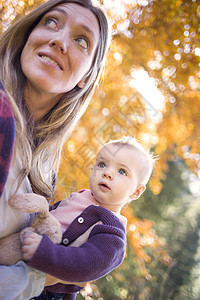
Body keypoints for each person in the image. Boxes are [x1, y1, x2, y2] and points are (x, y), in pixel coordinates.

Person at [0, 0, 111, 299]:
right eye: (51, 22)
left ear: (86, 77)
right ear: (28, 36)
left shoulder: (45, 168)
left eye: (81, 40)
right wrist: (42, 278)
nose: (59, 41)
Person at [9, 136, 155, 299]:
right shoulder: (79, 197)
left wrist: (45, 252)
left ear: (136, 192)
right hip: (24, 254)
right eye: (102, 164)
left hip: (45, 291)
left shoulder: (113, 231)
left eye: (122, 171)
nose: (107, 173)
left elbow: (87, 265)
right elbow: (49, 216)